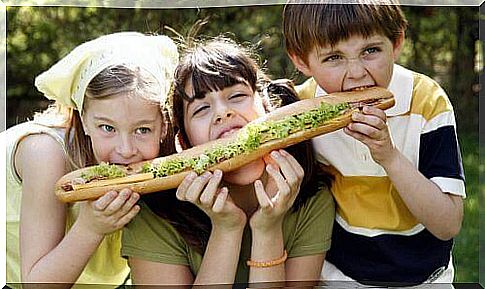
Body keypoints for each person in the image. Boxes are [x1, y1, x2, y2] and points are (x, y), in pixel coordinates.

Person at [121, 37, 335, 286]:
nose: (223, 112)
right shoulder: (155, 214)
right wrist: (227, 229)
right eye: (201, 109)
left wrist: (268, 229)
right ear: (184, 142)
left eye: (237, 95)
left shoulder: (311, 198)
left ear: (267, 108)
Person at [282, 0, 466, 286]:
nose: (356, 73)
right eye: (333, 57)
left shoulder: (427, 102)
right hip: (337, 277)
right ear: (301, 61)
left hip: (424, 278)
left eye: (370, 51)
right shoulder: (300, 108)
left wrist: (389, 156)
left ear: (396, 43)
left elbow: (448, 224)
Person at [4, 32, 178, 288]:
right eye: (107, 128)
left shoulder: (171, 159)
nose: (126, 149)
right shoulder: (44, 153)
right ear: (84, 119)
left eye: (143, 130)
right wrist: (91, 228)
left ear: (163, 126)